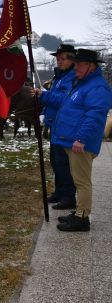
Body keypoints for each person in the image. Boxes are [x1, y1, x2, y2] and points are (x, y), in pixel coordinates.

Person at [49, 49, 112, 232]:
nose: (75, 68)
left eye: (79, 64)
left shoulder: (97, 87)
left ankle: (82, 218)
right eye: (75, 64)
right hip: (72, 141)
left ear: (91, 66)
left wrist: (81, 138)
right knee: (77, 180)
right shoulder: (83, 83)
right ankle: (79, 212)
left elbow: (94, 116)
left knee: (82, 182)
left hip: (80, 143)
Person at [34, 44, 77, 210]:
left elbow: (63, 100)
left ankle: (69, 197)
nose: (59, 61)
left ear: (72, 59)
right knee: (55, 161)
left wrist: (44, 95)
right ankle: (60, 191)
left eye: (62, 58)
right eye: (57, 58)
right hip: (55, 124)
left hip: (66, 126)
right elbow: (53, 98)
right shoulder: (60, 76)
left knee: (64, 163)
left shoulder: (73, 77)